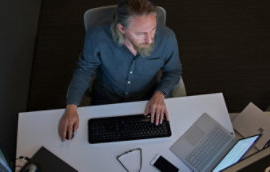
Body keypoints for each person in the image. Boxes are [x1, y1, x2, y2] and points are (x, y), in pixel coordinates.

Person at [58, 0, 182, 141]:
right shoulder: (98, 37)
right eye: (141, 33)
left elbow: (173, 71)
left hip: (145, 100)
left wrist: (160, 94)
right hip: (105, 97)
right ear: (122, 29)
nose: (150, 40)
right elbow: (84, 70)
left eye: (153, 30)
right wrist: (71, 107)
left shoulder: (167, 38)